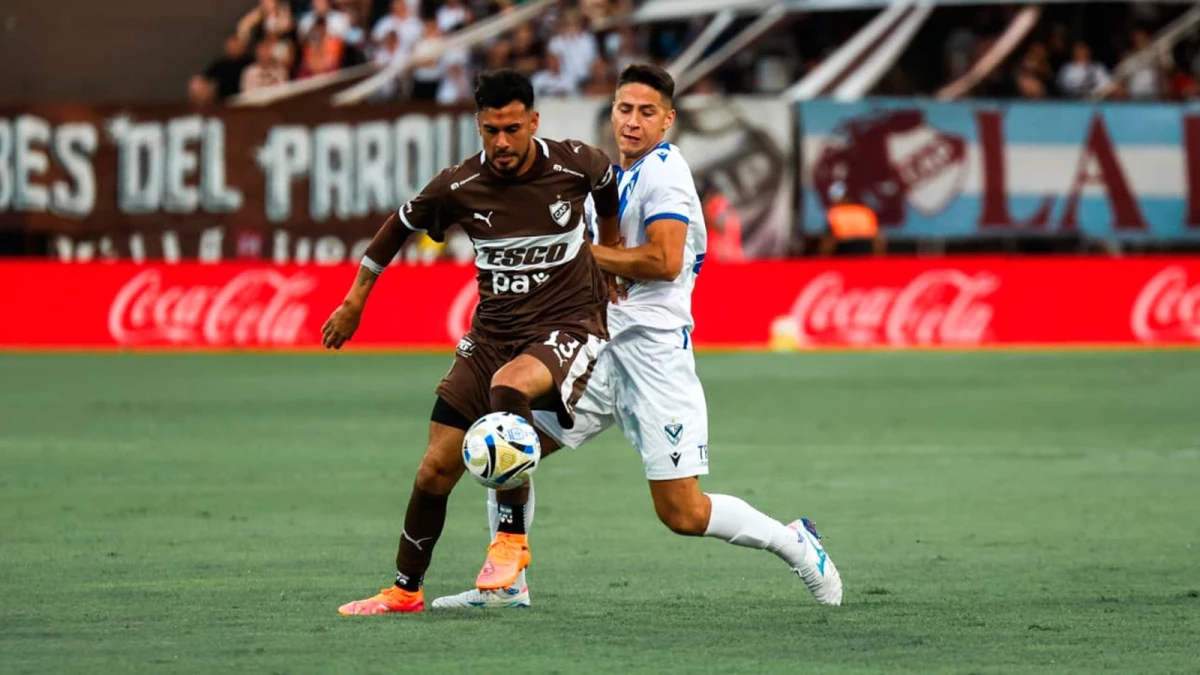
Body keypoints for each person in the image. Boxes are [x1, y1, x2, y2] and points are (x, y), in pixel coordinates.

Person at [433, 64, 843, 610]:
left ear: (668, 120)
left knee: (683, 513)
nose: (632, 121)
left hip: (654, 357)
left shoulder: (664, 173)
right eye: (624, 109)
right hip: (600, 351)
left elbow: (666, 259)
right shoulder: (614, 176)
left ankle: (796, 542)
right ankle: (509, 584)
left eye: (647, 112)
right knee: (510, 441)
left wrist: (577, 256)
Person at [324, 69, 622, 615]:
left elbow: (608, 189)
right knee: (435, 466)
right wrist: (355, 300)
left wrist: (616, 250)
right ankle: (405, 590)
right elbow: (398, 226)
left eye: (512, 128)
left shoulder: (577, 163)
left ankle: (510, 541)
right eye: (491, 130)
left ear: (534, 121)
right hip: (491, 335)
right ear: (478, 126)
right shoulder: (459, 186)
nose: (502, 143)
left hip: (568, 326)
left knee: (511, 389)